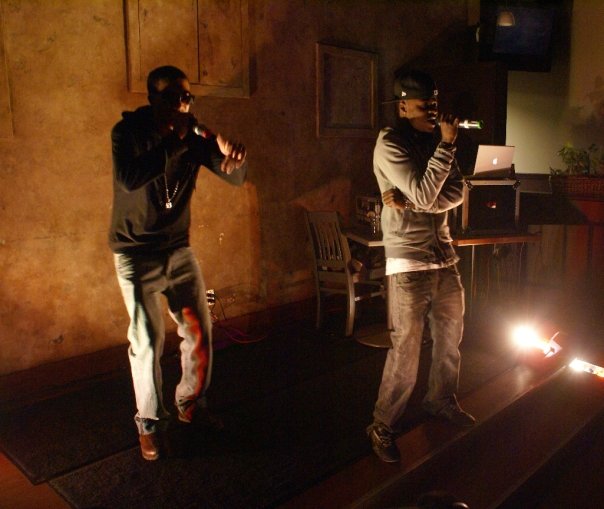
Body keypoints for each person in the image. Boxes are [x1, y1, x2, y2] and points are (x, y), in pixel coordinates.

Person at [109, 65, 247, 460]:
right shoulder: (128, 133)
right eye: (172, 97)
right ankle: (150, 424)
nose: (182, 104)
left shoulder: (194, 136)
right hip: (135, 252)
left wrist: (234, 157)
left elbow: (233, 177)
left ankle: (190, 403)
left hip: (177, 250)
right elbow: (129, 178)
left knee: (199, 331)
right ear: (153, 99)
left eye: (187, 97)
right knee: (147, 340)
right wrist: (177, 140)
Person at [366, 69, 475, 463]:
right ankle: (382, 425)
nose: (433, 108)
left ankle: (441, 401)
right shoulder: (390, 143)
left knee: (450, 341)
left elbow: (457, 191)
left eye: (435, 101)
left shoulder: (434, 142)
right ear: (402, 107)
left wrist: (412, 200)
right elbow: (431, 192)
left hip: (444, 257)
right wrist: (445, 148)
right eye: (424, 102)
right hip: (409, 261)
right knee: (406, 350)